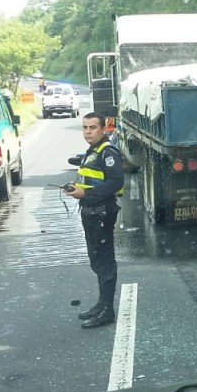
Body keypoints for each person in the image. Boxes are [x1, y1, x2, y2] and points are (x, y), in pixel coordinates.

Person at [65, 112, 124, 328]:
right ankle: (102, 303)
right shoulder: (93, 151)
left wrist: (86, 195)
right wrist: (77, 187)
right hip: (91, 211)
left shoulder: (108, 152)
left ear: (102, 129)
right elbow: (92, 179)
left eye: (93, 127)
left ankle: (107, 310)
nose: (88, 131)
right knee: (96, 260)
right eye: (85, 127)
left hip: (101, 212)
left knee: (104, 261)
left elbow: (116, 182)